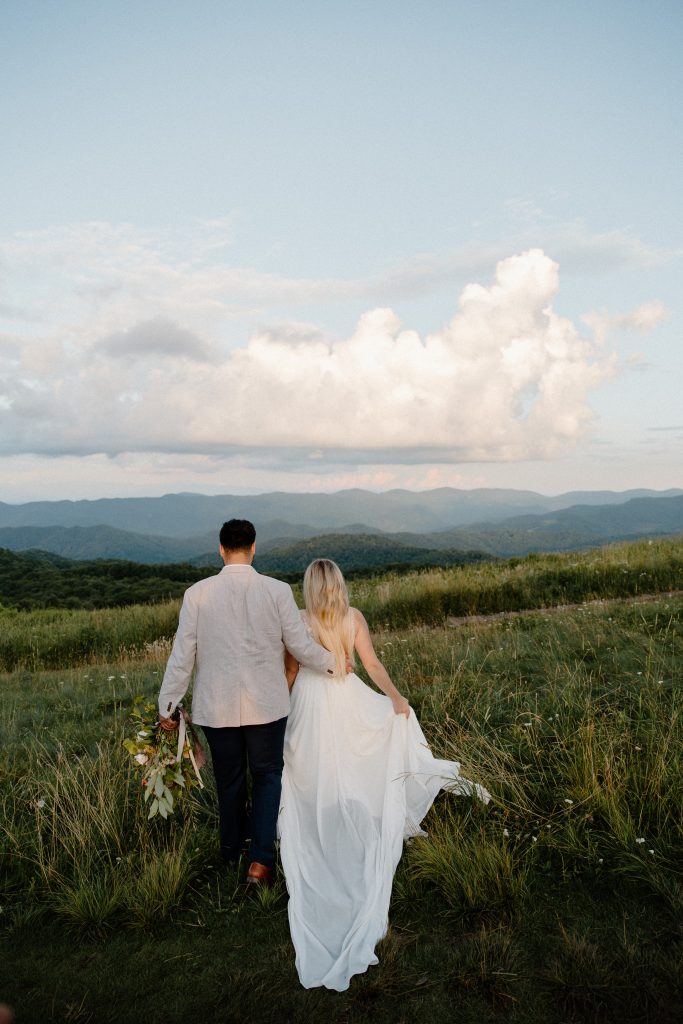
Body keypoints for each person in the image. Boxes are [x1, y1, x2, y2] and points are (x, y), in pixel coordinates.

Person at [279, 558, 491, 992]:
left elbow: (291, 672)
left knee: (315, 769)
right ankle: (353, 809)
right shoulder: (352, 617)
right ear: (337, 584)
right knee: (355, 760)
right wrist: (394, 696)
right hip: (342, 696)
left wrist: (278, 718)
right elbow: (372, 665)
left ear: (309, 587)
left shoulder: (298, 621)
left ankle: (326, 815)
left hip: (309, 703)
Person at [157, 519, 338, 886]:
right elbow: (299, 646)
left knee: (230, 780)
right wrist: (334, 662)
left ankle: (230, 850)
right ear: (254, 548)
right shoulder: (277, 591)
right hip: (267, 705)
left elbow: (182, 655)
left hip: (216, 706)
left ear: (221, 550)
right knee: (268, 777)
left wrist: (168, 706)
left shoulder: (197, 594)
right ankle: (260, 863)